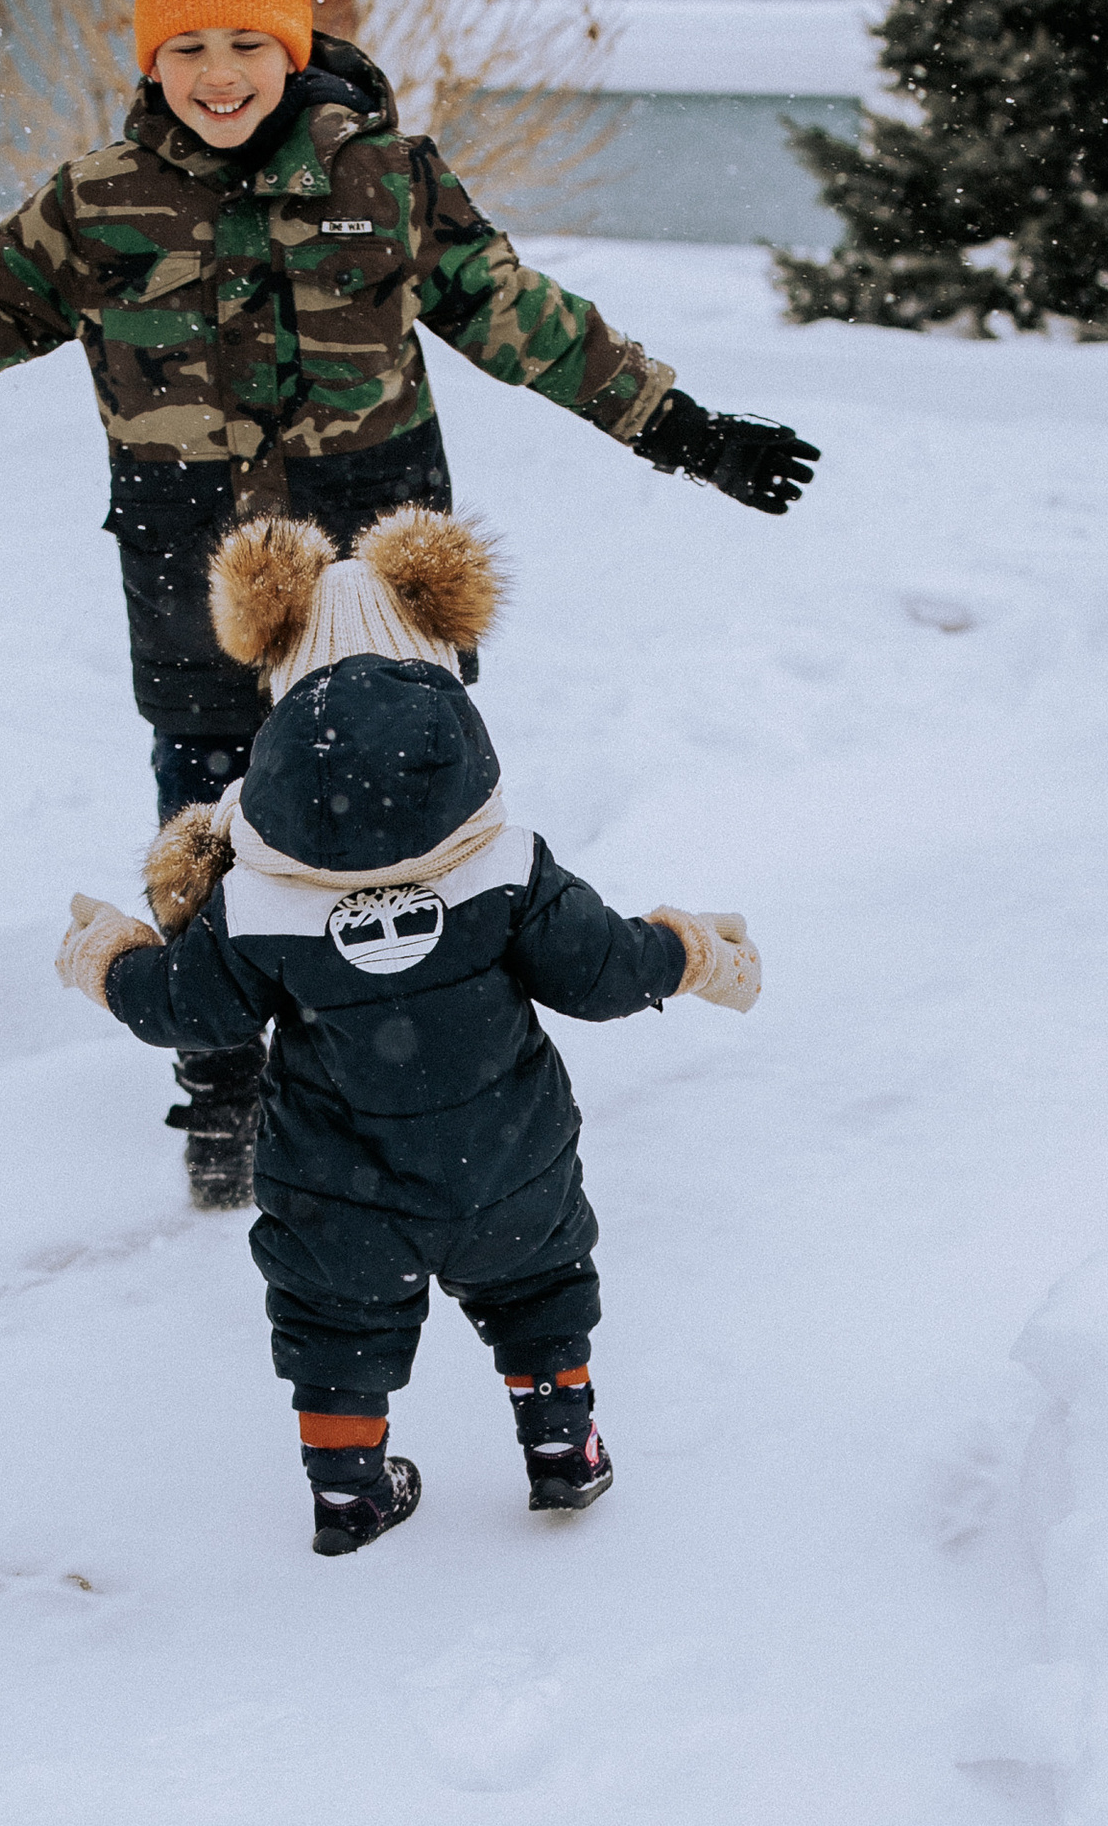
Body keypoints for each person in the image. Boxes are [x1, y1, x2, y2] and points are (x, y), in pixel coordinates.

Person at [0, 0, 812, 1206]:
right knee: (208, 818)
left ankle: (433, 1051)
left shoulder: (387, 185)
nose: (218, 75)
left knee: (419, 812)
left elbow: (537, 327)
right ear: (150, 60)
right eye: (187, 47)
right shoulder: (100, 208)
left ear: (292, 46)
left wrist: (686, 431)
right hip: (194, 568)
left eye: (245, 43)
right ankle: (227, 1083)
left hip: (374, 572)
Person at [52, 502, 760, 1558]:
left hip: (338, 1184)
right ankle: (563, 1446)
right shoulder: (502, 867)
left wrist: (107, 955)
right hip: (506, 1163)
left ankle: (348, 1492)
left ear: (279, 687)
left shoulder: (256, 898)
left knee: (337, 1324)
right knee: (535, 1289)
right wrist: (692, 949)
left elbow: (190, 1012)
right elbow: (606, 971)